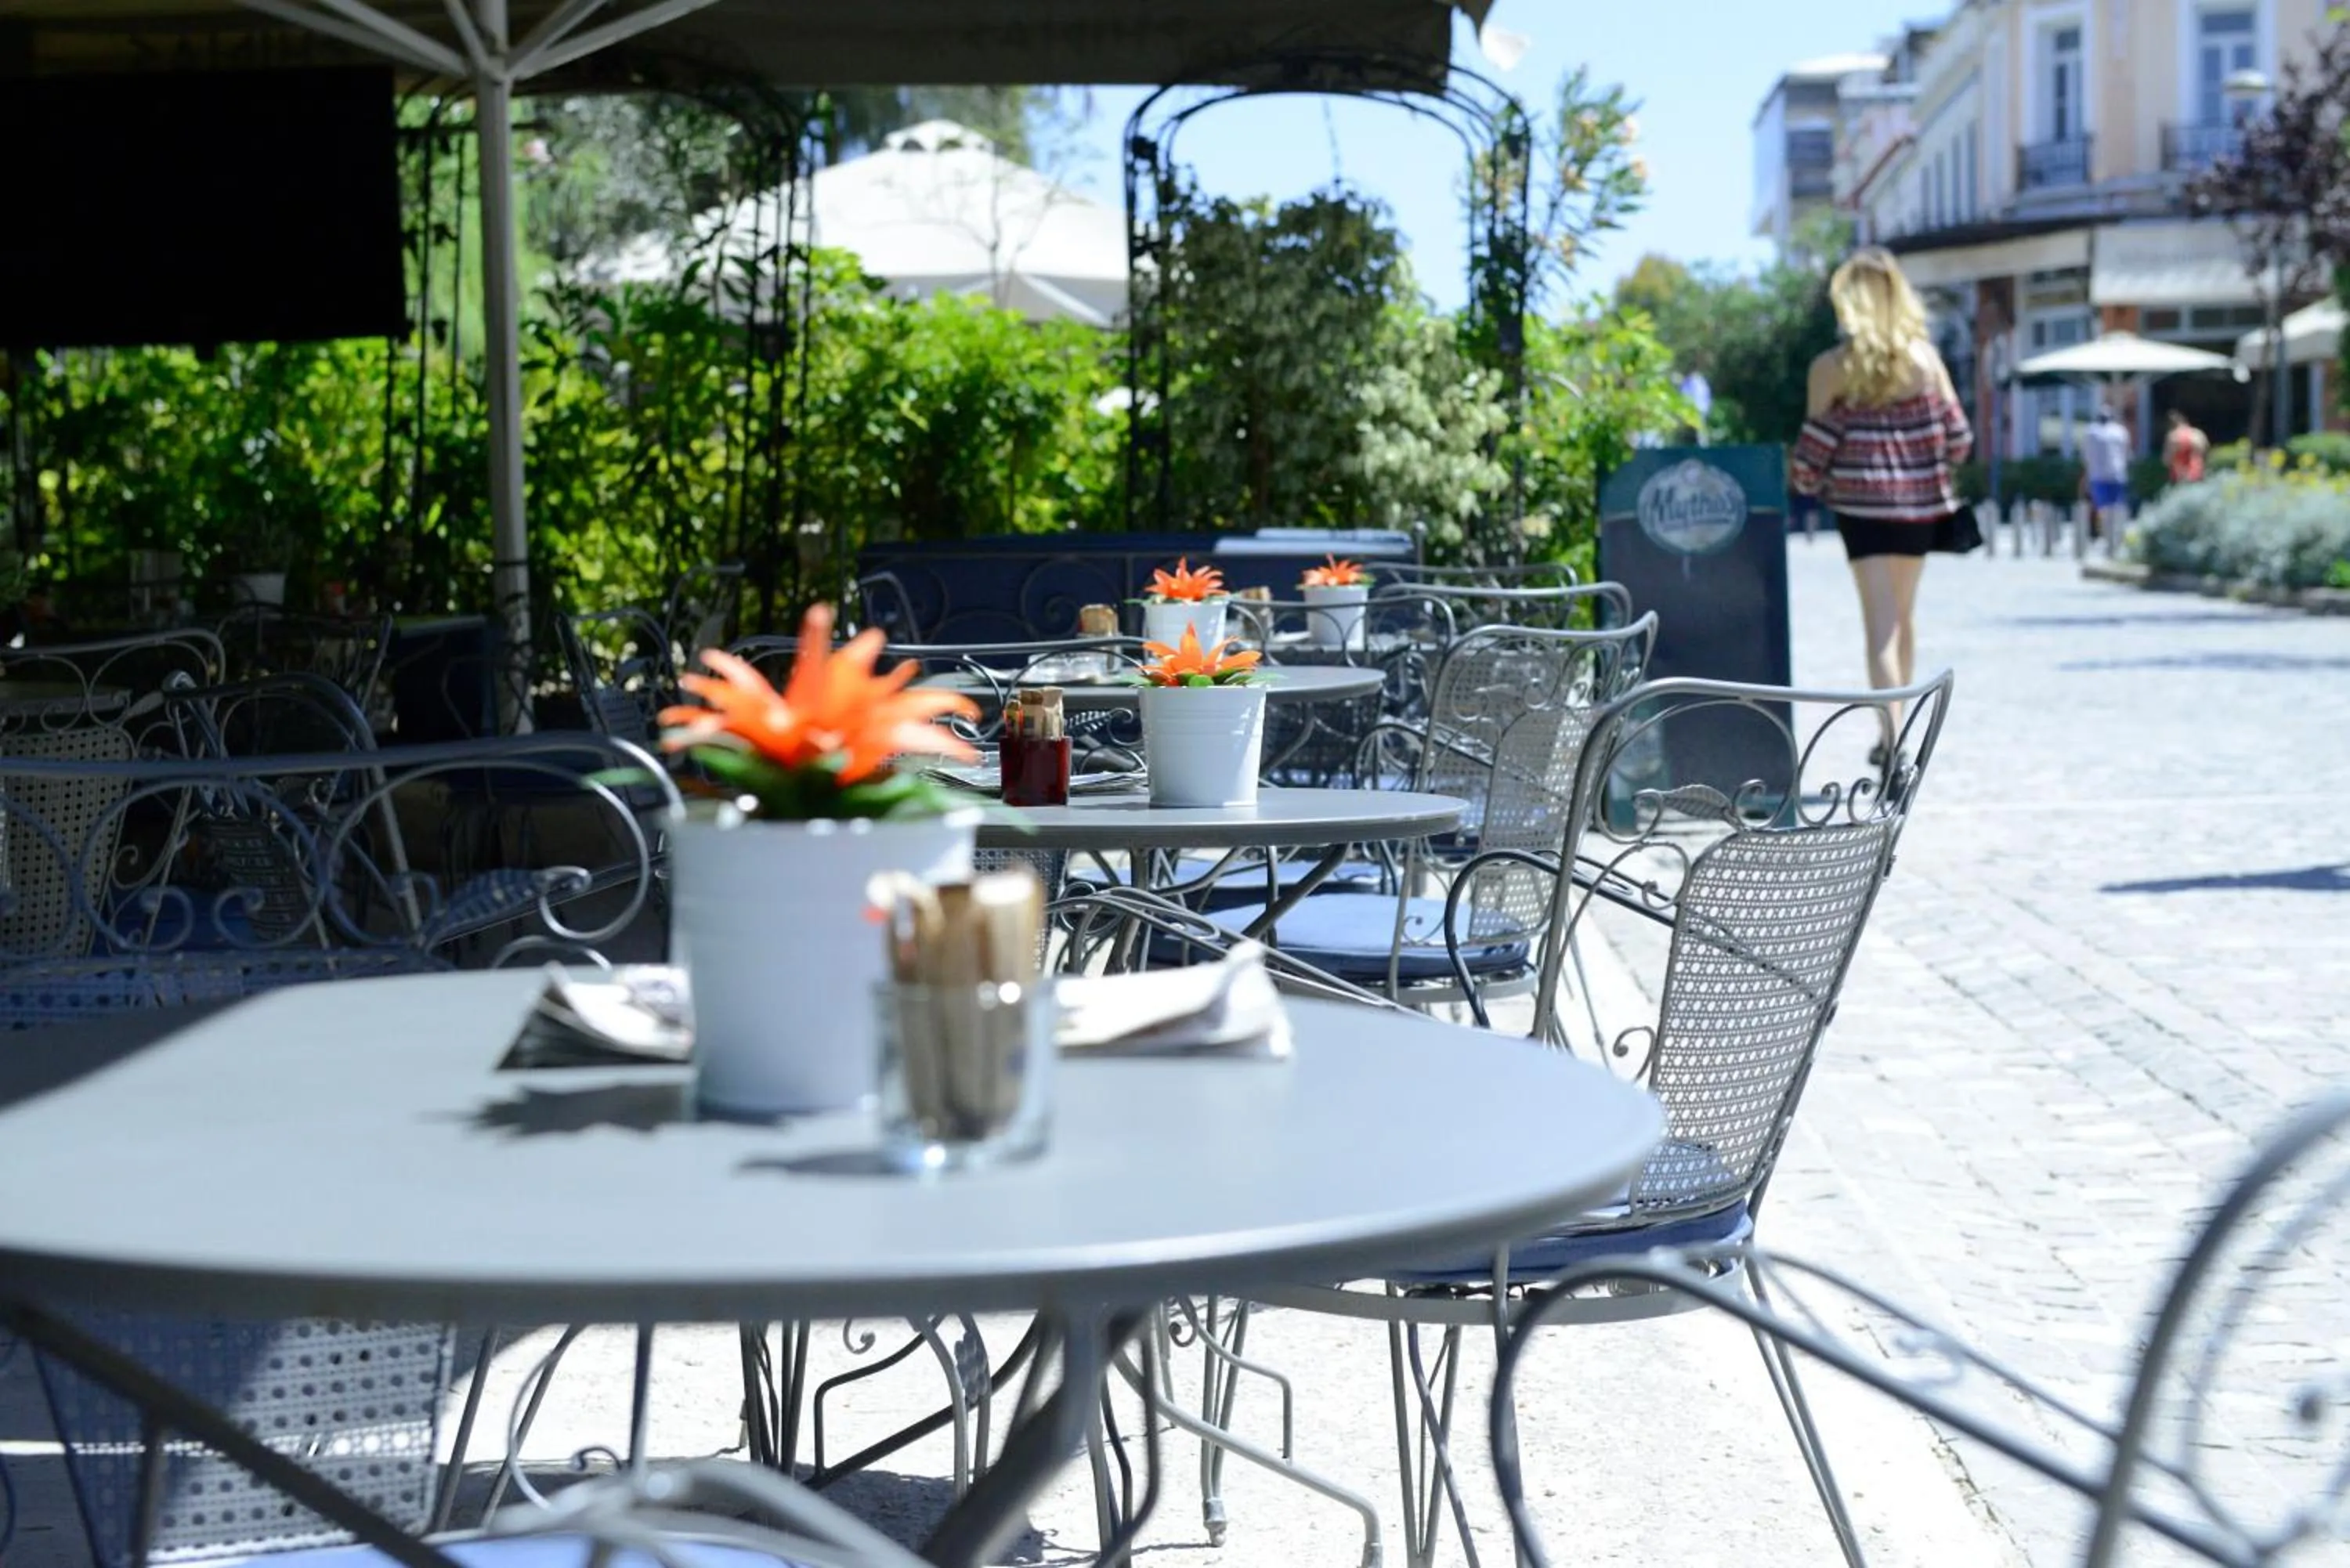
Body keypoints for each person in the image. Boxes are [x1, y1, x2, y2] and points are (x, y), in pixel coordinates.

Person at [1789, 247, 1972, 756]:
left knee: (1881, 624)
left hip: (1862, 507)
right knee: (1903, 617)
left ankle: (1890, 738)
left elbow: (1810, 457)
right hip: (1919, 506)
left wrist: (1806, 480)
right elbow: (1960, 439)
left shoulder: (1831, 368)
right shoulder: (1925, 360)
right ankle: (1895, 728)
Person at [2081, 404, 2132, 536]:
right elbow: (2127, 454)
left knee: (2101, 507)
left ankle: (2105, 533)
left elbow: (2087, 456)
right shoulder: (2121, 431)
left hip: (2098, 475)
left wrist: (2086, 476)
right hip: (2118, 474)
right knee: (2117, 506)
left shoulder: (2091, 432)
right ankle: (2116, 533)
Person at [2164, 408, 2210, 483]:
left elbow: (2166, 460)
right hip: (2197, 476)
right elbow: (2206, 453)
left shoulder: (2173, 437)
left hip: (2180, 478)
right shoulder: (2197, 434)